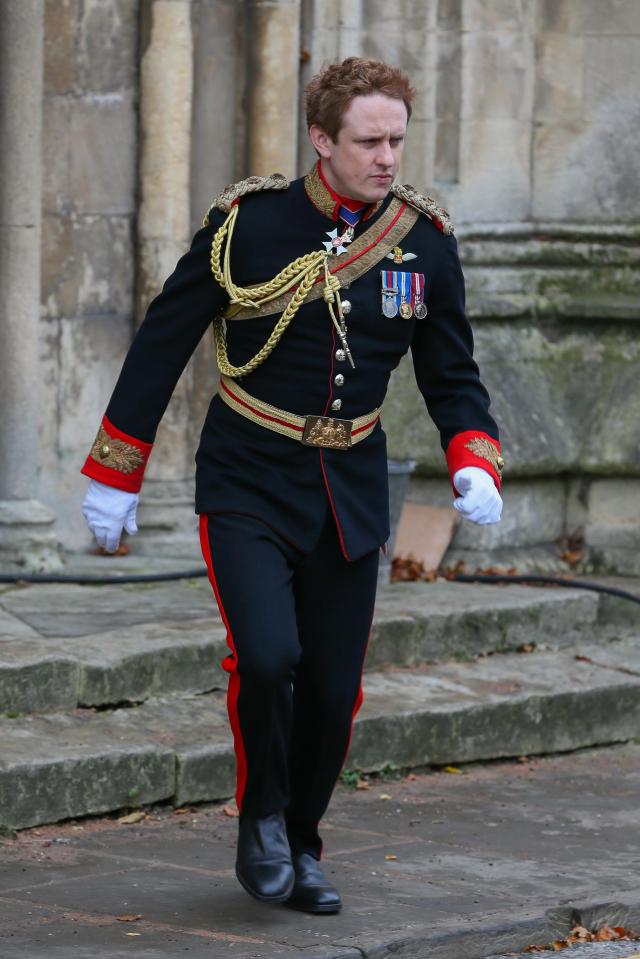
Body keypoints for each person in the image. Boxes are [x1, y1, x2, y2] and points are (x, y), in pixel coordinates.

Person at [81, 57, 503, 914]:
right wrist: (115, 471)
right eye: (369, 140)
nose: (387, 157)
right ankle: (261, 820)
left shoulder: (422, 241)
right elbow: (164, 338)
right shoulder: (250, 224)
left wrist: (472, 454)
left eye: (397, 139)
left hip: (349, 485)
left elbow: (452, 373)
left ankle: (302, 838)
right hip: (247, 474)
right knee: (269, 656)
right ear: (322, 140)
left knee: (336, 684)